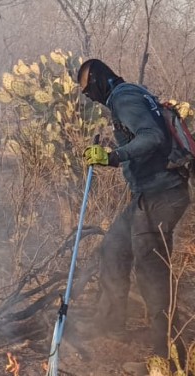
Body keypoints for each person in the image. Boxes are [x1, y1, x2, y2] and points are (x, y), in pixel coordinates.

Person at [77, 58, 190, 366]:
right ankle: (109, 326)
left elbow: (152, 137)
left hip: (161, 194)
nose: (88, 96)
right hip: (149, 194)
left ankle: (166, 350)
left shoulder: (124, 97)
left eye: (88, 89)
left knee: (150, 267)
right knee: (113, 248)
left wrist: (113, 155)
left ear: (100, 80)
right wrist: (112, 158)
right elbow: (147, 138)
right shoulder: (132, 93)